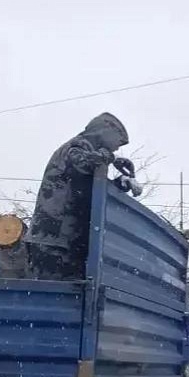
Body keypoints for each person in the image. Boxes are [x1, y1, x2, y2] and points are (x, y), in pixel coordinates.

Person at [26, 112, 130, 280]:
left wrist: (117, 180)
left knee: (64, 295)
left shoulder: (84, 148)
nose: (116, 148)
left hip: (61, 239)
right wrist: (109, 157)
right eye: (117, 143)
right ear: (105, 132)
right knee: (58, 294)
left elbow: (89, 185)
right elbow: (82, 165)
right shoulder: (78, 145)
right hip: (54, 238)